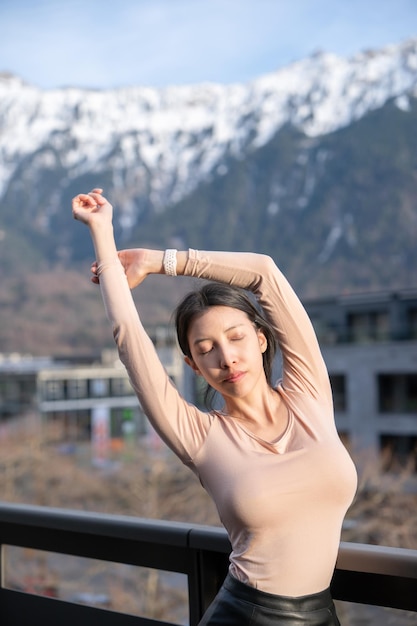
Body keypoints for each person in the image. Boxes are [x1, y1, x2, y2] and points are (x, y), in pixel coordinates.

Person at [72, 188, 357, 626]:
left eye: (237, 338)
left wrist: (156, 261)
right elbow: (128, 335)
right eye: (207, 349)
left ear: (261, 340)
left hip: (322, 615)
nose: (227, 358)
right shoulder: (201, 436)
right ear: (194, 365)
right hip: (244, 615)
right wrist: (102, 234)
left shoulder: (310, 394)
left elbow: (264, 273)